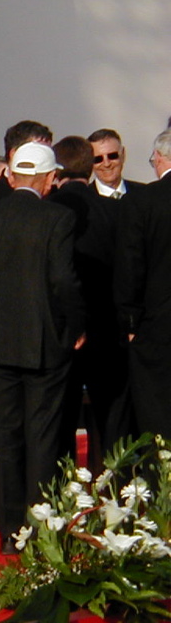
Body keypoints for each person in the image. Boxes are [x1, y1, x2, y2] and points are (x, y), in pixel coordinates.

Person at [0, 142, 85, 554]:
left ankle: (11, 533)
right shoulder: (57, 217)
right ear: (50, 179)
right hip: (45, 345)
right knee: (43, 437)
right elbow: (64, 280)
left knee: (5, 438)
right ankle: (42, 529)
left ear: (11, 177)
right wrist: (75, 326)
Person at [47, 136, 130, 467]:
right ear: (89, 167)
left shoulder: (48, 211)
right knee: (114, 419)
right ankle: (119, 486)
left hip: (62, 332)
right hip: (108, 329)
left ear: (57, 170)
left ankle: (66, 489)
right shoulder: (113, 211)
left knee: (61, 420)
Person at [114, 129, 171, 438]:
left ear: (160, 158)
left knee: (158, 409)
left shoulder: (142, 201)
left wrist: (130, 320)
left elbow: (130, 266)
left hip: (156, 324)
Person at [87, 128, 145, 199]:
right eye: (98, 159)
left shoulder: (145, 194)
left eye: (112, 156)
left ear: (123, 154)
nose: (106, 164)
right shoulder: (81, 201)